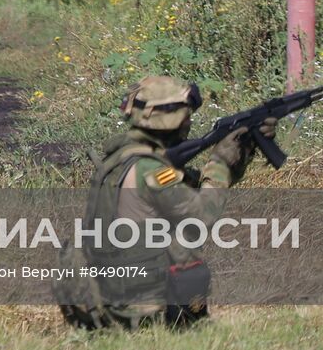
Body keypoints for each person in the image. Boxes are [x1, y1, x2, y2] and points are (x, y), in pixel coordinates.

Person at [57, 75, 274, 330]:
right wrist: (220, 165)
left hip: (105, 298)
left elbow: (188, 189)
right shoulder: (151, 170)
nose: (189, 122)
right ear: (174, 119)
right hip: (139, 309)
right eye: (187, 115)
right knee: (184, 246)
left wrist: (240, 154)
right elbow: (201, 216)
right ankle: (183, 324)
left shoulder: (118, 159)